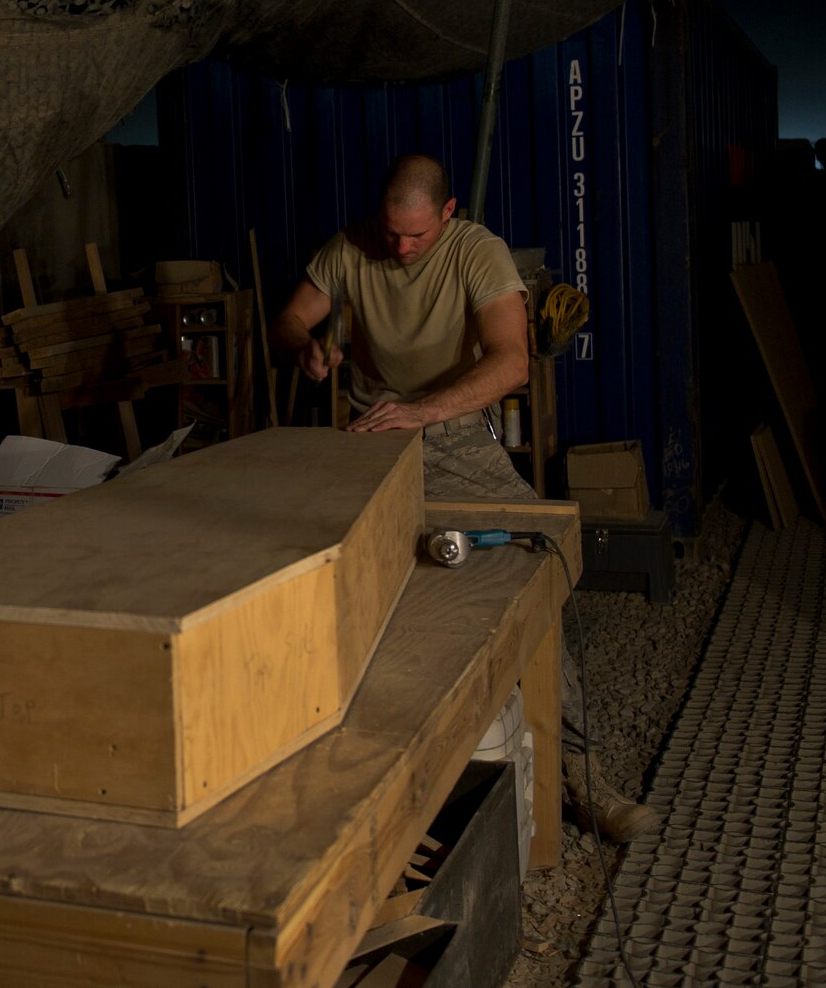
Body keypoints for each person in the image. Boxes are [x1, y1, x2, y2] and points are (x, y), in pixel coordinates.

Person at [272, 154, 657, 843]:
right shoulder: (351, 246)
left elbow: (511, 359)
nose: (401, 249)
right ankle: (350, 771)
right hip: (370, 432)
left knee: (533, 558)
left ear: (447, 214)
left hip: (448, 433)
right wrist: (306, 345)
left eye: (415, 236)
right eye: (391, 233)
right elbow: (291, 318)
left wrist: (420, 413)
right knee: (326, 565)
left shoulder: (478, 251)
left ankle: (581, 772)